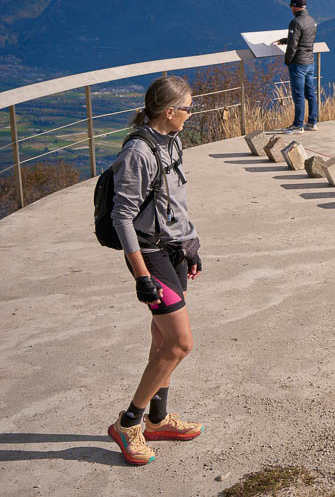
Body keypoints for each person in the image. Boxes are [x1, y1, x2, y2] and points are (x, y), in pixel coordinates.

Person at [107, 75, 204, 466]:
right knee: (180, 343)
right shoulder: (138, 152)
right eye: (188, 108)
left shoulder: (172, 140)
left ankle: (158, 419)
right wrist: (142, 276)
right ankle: (128, 423)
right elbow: (122, 216)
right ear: (170, 111)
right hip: (150, 255)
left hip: (175, 251)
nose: (191, 114)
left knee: (162, 339)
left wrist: (192, 245)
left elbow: (175, 201)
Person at [275, 0, 318, 133]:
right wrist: (284, 40)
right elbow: (303, 39)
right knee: (310, 94)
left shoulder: (295, 22)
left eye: (291, 6)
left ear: (294, 6)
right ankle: (312, 122)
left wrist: (287, 61)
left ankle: (298, 125)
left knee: (298, 95)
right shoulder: (312, 21)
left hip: (298, 63)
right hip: (310, 62)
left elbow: (293, 45)